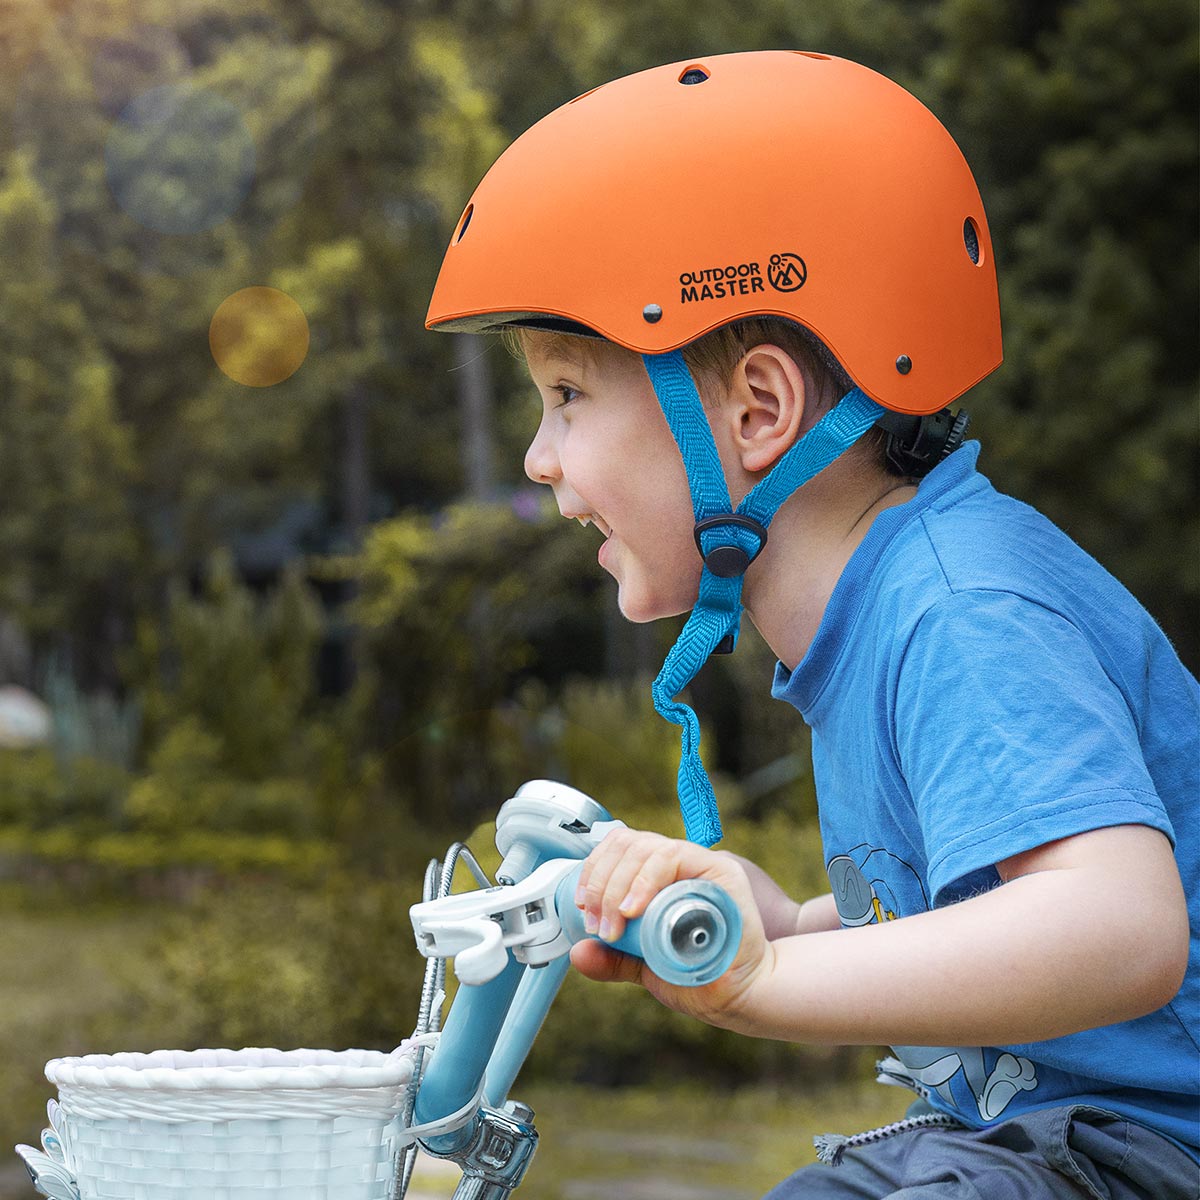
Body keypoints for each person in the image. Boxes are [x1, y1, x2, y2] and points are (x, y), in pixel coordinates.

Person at [424, 50, 1199, 1198]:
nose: (540, 459)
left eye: (570, 395)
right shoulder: (882, 609)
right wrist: (786, 924)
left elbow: (1123, 926)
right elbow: (980, 898)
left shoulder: (961, 607)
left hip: (1145, 1150)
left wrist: (751, 986)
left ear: (756, 411)